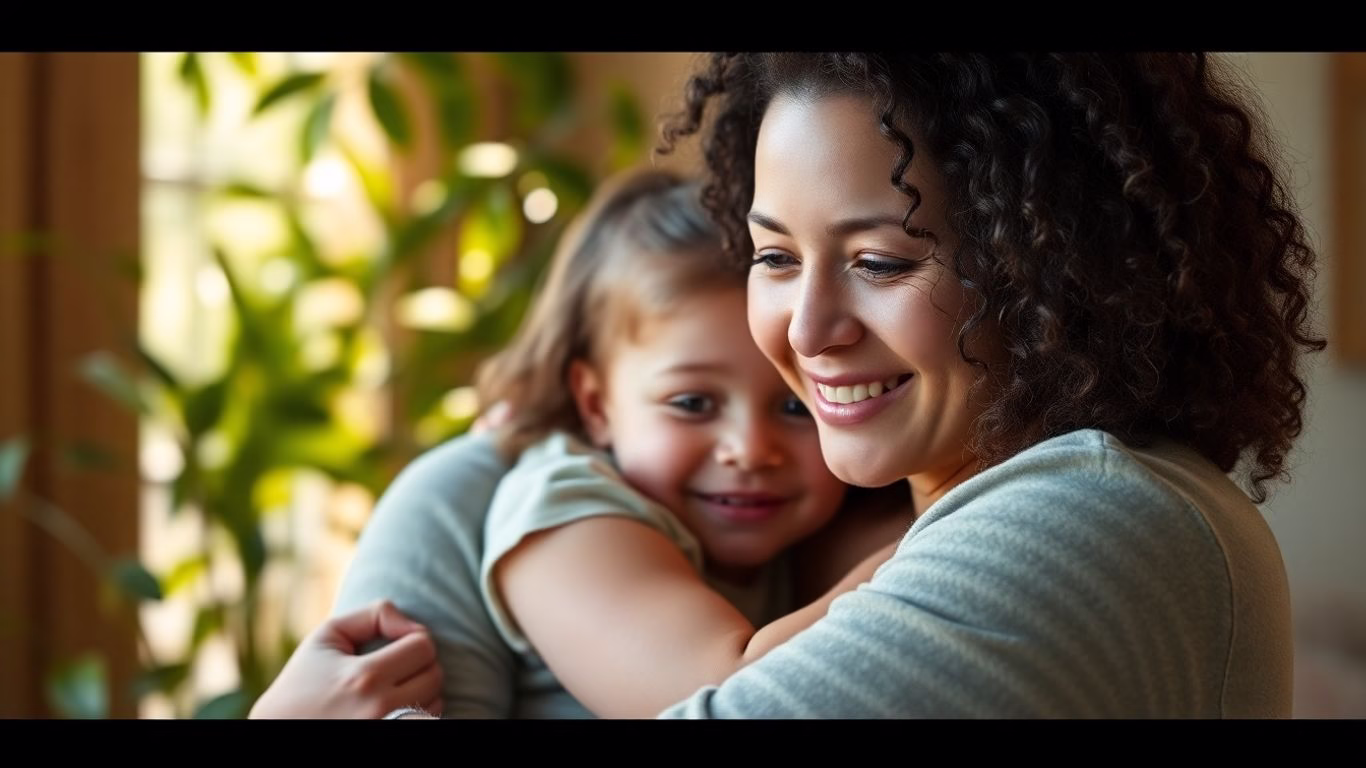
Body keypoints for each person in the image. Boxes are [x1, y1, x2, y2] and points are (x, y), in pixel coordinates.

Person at [256, 52, 1324, 718]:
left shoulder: (1093, 520)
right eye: (773, 255)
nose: (805, 335)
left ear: (1060, 268)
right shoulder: (860, 517)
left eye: (881, 261)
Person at [250, 169, 903, 720]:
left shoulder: (796, 544)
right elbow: (726, 693)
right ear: (596, 405)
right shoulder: (568, 504)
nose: (751, 449)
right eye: (692, 404)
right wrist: (955, 531)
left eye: (795, 405)